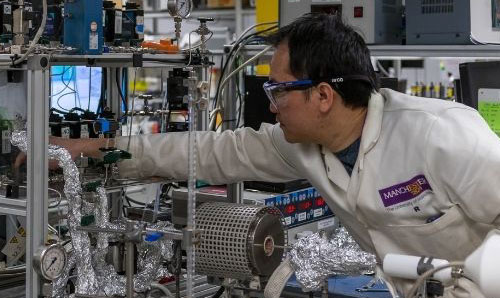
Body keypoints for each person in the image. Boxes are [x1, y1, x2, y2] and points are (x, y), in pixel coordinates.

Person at [52, 14, 500, 298]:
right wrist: (99, 149)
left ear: (324, 95)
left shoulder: (443, 135)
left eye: (279, 90)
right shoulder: (304, 146)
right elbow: (207, 152)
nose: (270, 104)